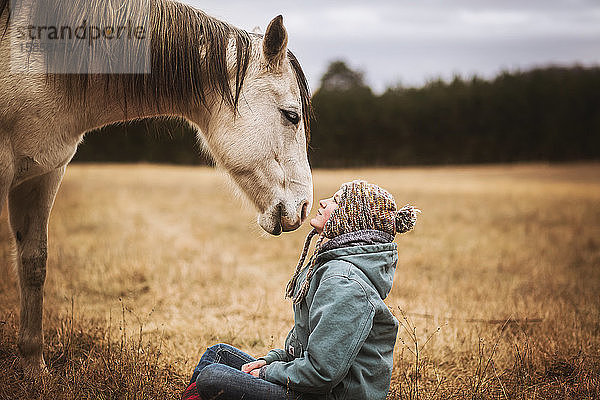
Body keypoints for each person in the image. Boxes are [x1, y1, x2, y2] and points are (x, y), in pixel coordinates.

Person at [181, 180, 419, 400]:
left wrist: (266, 373)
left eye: (336, 201)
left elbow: (321, 374)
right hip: (313, 386)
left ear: (350, 219)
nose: (324, 201)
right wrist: (269, 360)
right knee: (218, 354)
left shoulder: (345, 283)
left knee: (213, 377)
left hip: (326, 394)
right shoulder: (329, 266)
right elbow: (305, 350)